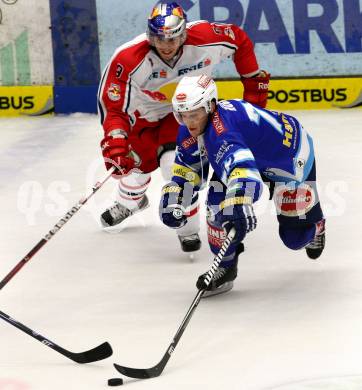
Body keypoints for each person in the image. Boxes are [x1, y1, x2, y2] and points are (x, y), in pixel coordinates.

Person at [98, 1, 270, 253]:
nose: (166, 46)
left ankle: (187, 229)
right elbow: (113, 107)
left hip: (187, 113)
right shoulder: (128, 58)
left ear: (184, 33)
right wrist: (115, 139)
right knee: (134, 169)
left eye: (172, 38)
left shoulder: (207, 38)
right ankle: (130, 202)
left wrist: (253, 80)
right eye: (159, 38)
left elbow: (240, 40)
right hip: (141, 115)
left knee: (175, 167)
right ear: (150, 35)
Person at [159, 74, 326, 296]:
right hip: (249, 153)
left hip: (288, 158)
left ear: (210, 106)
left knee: (295, 239)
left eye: (194, 114)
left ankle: (317, 226)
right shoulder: (194, 128)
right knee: (217, 206)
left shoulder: (223, 133)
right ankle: (226, 267)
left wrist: (239, 201)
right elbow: (189, 170)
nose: (189, 123)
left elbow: (242, 168)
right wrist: (175, 197)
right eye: (182, 115)